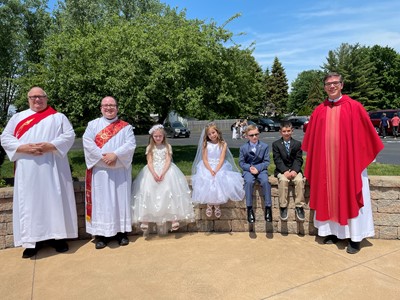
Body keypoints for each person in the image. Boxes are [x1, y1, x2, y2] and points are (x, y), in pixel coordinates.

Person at [302, 72, 384, 254]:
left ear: (341, 85)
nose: (331, 86)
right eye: (328, 84)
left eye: (335, 83)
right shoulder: (319, 110)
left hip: (349, 165)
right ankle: (331, 232)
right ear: (324, 87)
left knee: (349, 194)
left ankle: (355, 238)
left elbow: (366, 136)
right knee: (327, 194)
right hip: (325, 165)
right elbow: (312, 140)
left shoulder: (354, 107)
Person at [0, 86, 77, 258]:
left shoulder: (58, 117)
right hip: (28, 170)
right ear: (28, 99)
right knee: (30, 203)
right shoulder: (18, 117)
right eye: (33, 97)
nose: (37, 100)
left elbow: (69, 135)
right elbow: (5, 137)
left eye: (40, 96)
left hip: (53, 168)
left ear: (46, 98)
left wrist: (52, 145)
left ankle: (58, 238)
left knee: (54, 200)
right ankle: (32, 242)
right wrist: (22, 147)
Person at [83, 96, 136, 249]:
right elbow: (88, 143)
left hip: (119, 171)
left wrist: (116, 155)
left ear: (117, 108)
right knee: (102, 202)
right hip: (100, 171)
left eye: (112, 105)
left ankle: (121, 233)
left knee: (120, 200)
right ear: (101, 108)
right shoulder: (92, 125)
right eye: (105, 105)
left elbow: (130, 145)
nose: (109, 108)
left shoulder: (126, 127)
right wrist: (103, 157)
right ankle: (101, 235)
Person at [132, 124, 194, 232]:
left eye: (160, 136)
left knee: (169, 191)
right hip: (152, 171)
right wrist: (154, 173)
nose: (158, 138)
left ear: (163, 136)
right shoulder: (150, 147)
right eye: (155, 136)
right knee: (147, 190)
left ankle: (174, 218)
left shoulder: (167, 147)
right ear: (152, 137)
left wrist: (163, 173)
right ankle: (145, 218)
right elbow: (149, 162)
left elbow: (168, 161)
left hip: (166, 170)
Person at [192, 122, 245, 218]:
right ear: (207, 136)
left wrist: (216, 170)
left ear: (217, 132)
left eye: (213, 132)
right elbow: (204, 159)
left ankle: (217, 205)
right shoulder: (205, 144)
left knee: (219, 179)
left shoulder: (223, 144)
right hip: (207, 166)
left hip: (220, 166)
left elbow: (221, 159)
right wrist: (210, 170)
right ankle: (209, 204)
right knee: (207, 180)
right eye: (209, 134)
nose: (212, 135)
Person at [272, 121, 305, 221]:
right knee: (283, 181)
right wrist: (285, 171)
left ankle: (299, 206)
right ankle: (283, 206)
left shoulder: (297, 144)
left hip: (295, 169)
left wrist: (295, 170)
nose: (286, 133)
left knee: (299, 181)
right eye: (284, 131)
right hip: (282, 170)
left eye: (288, 131)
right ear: (280, 132)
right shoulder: (276, 144)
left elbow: (299, 159)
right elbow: (277, 159)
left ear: (292, 131)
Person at [239, 124, 272, 223]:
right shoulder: (243, 148)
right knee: (248, 182)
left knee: (266, 181)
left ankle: (268, 208)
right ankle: (249, 209)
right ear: (247, 136)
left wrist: (257, 168)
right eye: (251, 135)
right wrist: (249, 168)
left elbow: (266, 161)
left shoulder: (264, 146)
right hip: (249, 170)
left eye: (256, 134)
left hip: (261, 170)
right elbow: (241, 162)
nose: (254, 137)